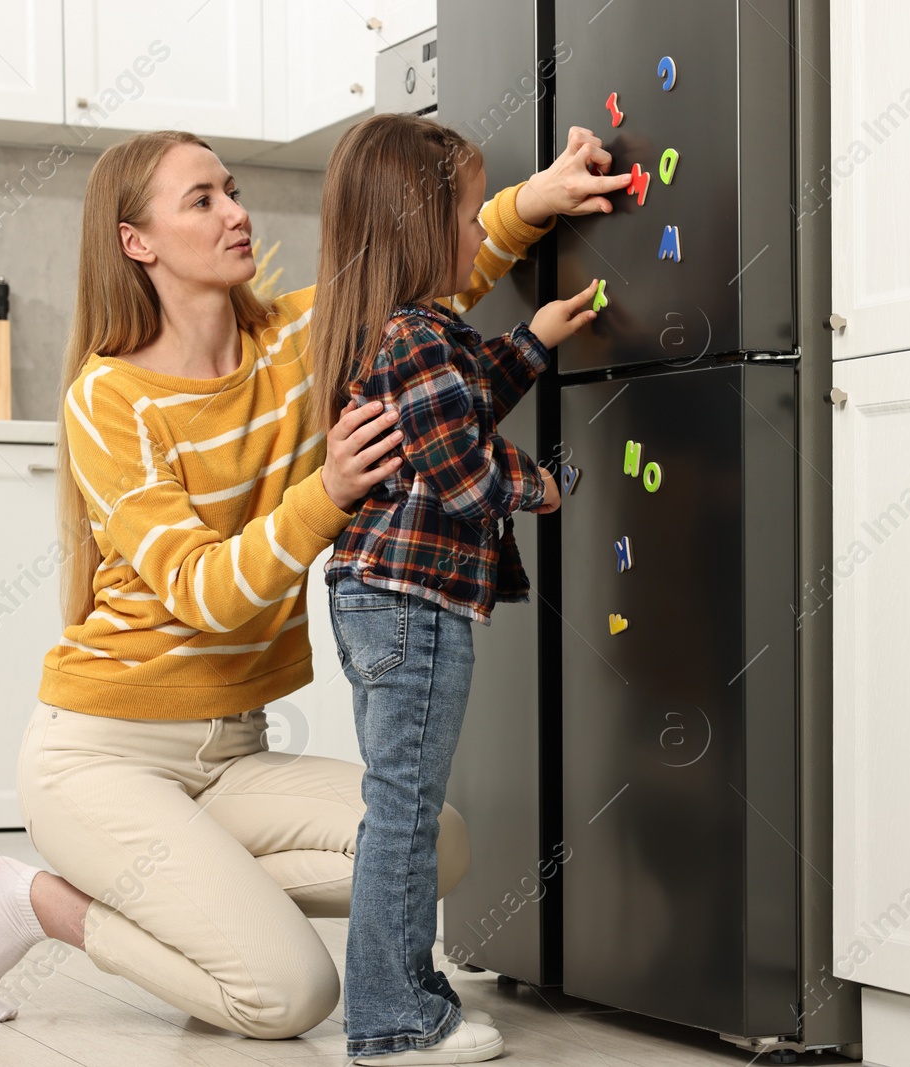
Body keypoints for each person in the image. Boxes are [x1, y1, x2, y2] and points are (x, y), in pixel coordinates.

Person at [0, 127, 627, 1040]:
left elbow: (422, 272)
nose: (237, 212)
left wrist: (536, 199)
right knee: (288, 996)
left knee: (441, 843)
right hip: (102, 758)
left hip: (232, 754)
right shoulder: (110, 398)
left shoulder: (299, 340)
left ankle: (199, 893)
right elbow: (203, 591)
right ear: (134, 241)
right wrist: (331, 490)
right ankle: (35, 901)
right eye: (202, 200)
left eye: (231, 189)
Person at [309, 114, 606, 1064]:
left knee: (402, 803)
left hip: (381, 597)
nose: (485, 235)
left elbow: (464, 397)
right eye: (474, 216)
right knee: (404, 807)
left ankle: (411, 990)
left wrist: (532, 337)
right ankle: (392, 1019)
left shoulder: (409, 332)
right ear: (416, 226)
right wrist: (541, 486)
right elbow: (467, 473)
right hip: (414, 601)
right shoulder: (418, 336)